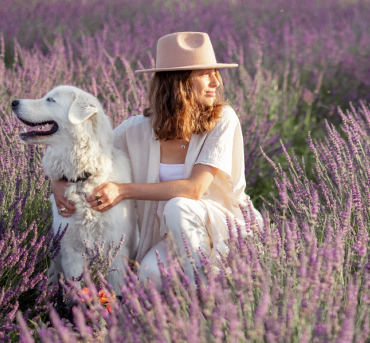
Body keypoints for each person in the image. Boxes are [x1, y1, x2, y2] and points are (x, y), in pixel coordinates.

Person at [51, 32, 261, 284]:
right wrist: (57, 182)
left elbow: (194, 189)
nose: (216, 81)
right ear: (179, 82)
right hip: (172, 237)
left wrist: (123, 190)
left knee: (178, 205)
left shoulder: (223, 119)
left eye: (215, 72)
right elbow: (87, 152)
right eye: (205, 74)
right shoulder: (136, 130)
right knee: (147, 278)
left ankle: (207, 294)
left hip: (224, 231)